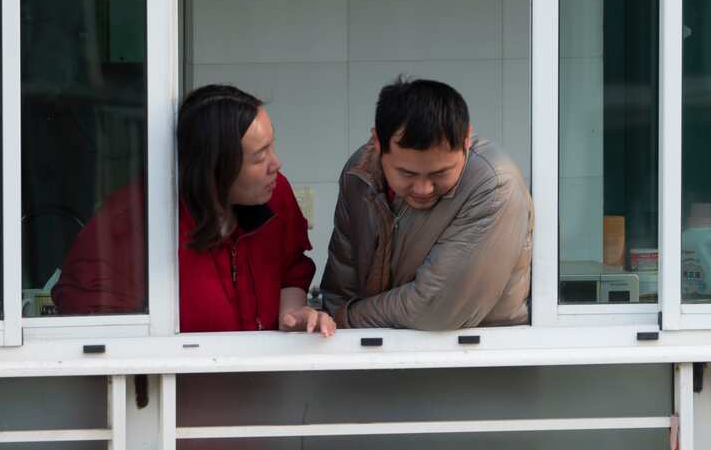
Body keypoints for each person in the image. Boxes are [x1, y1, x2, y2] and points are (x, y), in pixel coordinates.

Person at [53, 85, 335, 335]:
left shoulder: (276, 195)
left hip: (259, 385)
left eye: (271, 146)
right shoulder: (132, 221)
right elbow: (91, 331)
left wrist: (293, 315)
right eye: (260, 156)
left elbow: (291, 268)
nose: (277, 163)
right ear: (215, 167)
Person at [321, 78, 532, 330]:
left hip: (478, 355)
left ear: (466, 140)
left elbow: (435, 308)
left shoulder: (495, 184)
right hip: (376, 351)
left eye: (440, 173)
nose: (423, 189)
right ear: (378, 144)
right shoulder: (360, 173)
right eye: (406, 174)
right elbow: (340, 284)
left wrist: (344, 320)